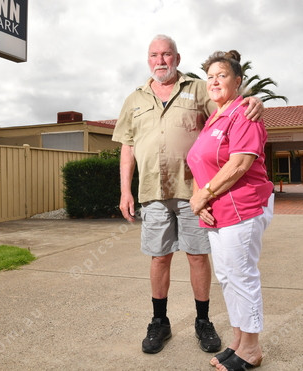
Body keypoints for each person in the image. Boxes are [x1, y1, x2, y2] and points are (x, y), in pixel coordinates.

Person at [112, 35, 264, 355]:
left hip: (193, 191)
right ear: (148, 60)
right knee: (159, 257)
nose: (160, 61)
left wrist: (253, 100)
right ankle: (159, 321)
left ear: (177, 58)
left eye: (166, 54)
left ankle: (203, 321)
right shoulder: (134, 99)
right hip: (152, 191)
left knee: (197, 256)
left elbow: (228, 105)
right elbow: (127, 147)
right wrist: (125, 190)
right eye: (154, 55)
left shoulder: (197, 88)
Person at [187, 50, 274, 370]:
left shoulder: (244, 113)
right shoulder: (214, 117)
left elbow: (239, 164)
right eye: (209, 77)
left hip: (242, 207)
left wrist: (203, 196)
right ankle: (238, 340)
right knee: (227, 277)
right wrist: (200, 200)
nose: (214, 81)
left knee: (242, 275)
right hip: (217, 211)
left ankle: (251, 348)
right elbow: (200, 164)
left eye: (221, 75)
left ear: (238, 81)